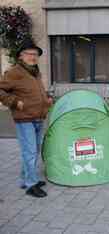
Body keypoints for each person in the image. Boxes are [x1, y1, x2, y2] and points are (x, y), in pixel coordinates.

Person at [0, 40, 53, 198]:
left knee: (33, 150)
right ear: (21, 56)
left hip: (38, 116)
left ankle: (26, 179)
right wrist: (15, 102)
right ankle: (31, 185)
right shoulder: (14, 72)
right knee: (30, 151)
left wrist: (47, 98)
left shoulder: (35, 72)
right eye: (29, 54)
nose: (33, 57)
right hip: (24, 118)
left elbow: (36, 92)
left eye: (35, 54)